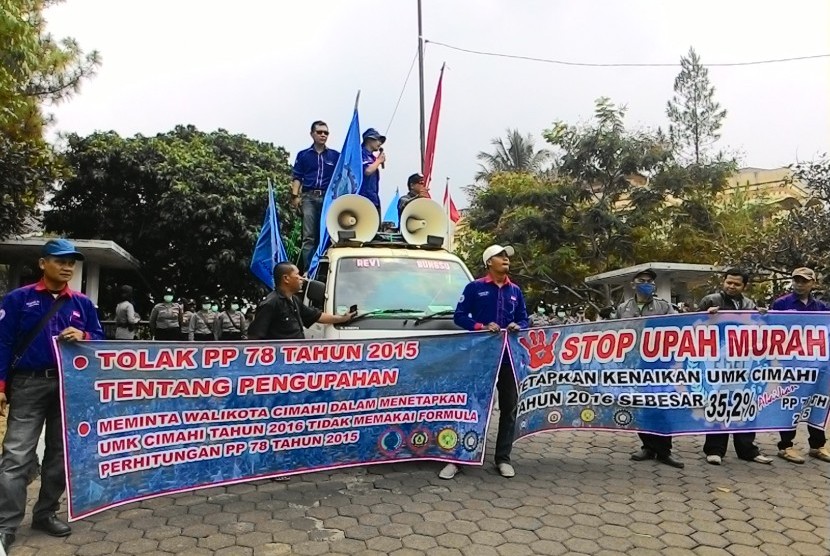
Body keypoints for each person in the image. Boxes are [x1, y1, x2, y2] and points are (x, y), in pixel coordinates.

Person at [0, 239, 104, 551]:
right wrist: (1, 387)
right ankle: (5, 524)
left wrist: (84, 335)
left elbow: (100, 339)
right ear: (43, 263)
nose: (67, 266)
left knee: (59, 455)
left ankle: (45, 513)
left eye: (71, 261)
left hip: (68, 386)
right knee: (16, 456)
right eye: (60, 260)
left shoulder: (82, 304)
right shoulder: (19, 299)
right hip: (28, 384)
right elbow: (2, 344)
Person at [440, 244, 528, 480]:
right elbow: (459, 317)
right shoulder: (474, 288)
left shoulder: (515, 291)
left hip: (509, 358)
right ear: (489, 262)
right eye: (500, 256)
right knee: (472, 407)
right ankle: (458, 458)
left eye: (506, 256)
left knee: (509, 407)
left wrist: (518, 326)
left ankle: (503, 458)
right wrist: (480, 327)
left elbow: (523, 318)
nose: (505, 259)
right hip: (479, 359)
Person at [698, 268, 772, 465]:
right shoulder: (711, 300)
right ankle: (715, 450)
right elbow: (690, 325)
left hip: (743, 362)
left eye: (736, 284)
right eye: (728, 282)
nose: (731, 286)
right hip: (717, 362)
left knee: (746, 401)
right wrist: (706, 316)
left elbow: (756, 328)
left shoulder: (749, 304)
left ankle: (747, 449)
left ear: (744, 286)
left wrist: (762, 316)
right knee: (718, 402)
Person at [613, 268, 684, 468]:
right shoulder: (623, 308)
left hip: (660, 365)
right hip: (635, 365)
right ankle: (647, 446)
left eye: (650, 281)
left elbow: (677, 328)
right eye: (642, 280)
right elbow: (616, 333)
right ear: (633, 284)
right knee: (641, 406)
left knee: (662, 405)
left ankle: (664, 450)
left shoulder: (664, 306)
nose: (647, 284)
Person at [771, 267, 830, 463]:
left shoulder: (821, 308)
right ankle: (785, 446)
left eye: (804, 281)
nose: (799, 284)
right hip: (790, 366)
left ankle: (817, 445)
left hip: (817, 367)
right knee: (789, 403)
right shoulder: (781, 304)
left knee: (818, 401)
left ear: (813, 283)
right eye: (796, 280)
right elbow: (770, 330)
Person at [248, 262, 356, 340]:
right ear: (286, 279)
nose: (302, 279)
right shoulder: (271, 303)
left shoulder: (294, 300)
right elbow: (255, 338)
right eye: (297, 275)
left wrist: (343, 318)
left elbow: (316, 316)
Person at [291, 120, 341, 272]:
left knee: (327, 234)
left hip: (328, 199)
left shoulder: (335, 155)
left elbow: (342, 176)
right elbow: (297, 176)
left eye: (326, 132)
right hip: (309, 197)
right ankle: (309, 270)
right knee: (309, 236)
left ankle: (326, 269)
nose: (323, 135)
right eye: (319, 132)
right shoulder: (304, 155)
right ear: (312, 134)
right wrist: (295, 196)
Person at [361, 128, 386, 215]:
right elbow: (367, 171)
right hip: (363, 198)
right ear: (369, 140)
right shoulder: (361, 153)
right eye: (377, 140)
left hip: (373, 197)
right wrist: (379, 161)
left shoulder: (372, 158)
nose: (379, 143)